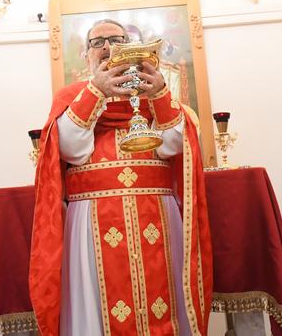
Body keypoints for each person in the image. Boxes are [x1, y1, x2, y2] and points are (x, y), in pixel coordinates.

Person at [29, 19, 213, 335]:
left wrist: (159, 95)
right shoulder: (72, 96)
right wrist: (96, 92)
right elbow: (71, 149)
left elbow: (173, 145)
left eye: (116, 40)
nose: (107, 47)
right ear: (87, 55)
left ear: (131, 48)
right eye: (97, 42)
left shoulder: (153, 93)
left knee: (163, 297)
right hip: (92, 221)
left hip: (156, 216)